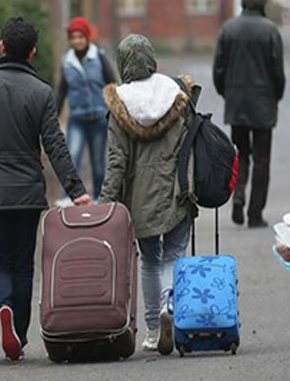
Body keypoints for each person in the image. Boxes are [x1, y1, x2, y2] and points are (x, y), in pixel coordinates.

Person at [0, 17, 90, 361]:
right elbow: (55, 144)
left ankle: (3, 312)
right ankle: (22, 335)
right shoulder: (41, 92)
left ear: (1, 47)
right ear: (32, 52)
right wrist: (76, 190)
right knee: (24, 265)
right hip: (28, 192)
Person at [100, 34, 198, 355]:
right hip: (178, 189)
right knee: (174, 254)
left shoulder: (120, 105)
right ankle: (171, 308)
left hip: (139, 198)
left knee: (150, 261)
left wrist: (107, 204)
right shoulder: (176, 94)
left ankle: (155, 331)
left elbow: (116, 161)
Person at [213, 0, 285, 228]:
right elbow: (278, 72)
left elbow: (218, 69)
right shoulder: (270, 31)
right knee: (262, 159)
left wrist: (227, 92)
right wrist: (276, 95)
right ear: (263, 2)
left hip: (237, 102)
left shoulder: (228, 29)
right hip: (264, 102)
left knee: (240, 155)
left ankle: (239, 194)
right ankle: (255, 213)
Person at [55, 17, 117, 202]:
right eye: (73, 37)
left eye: (80, 36)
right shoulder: (67, 61)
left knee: (98, 163)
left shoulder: (98, 57)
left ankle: (99, 196)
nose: (77, 41)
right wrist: (54, 119)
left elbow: (112, 83)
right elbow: (61, 92)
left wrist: (115, 112)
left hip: (99, 118)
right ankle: (69, 195)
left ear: (87, 37)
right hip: (77, 119)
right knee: (73, 157)